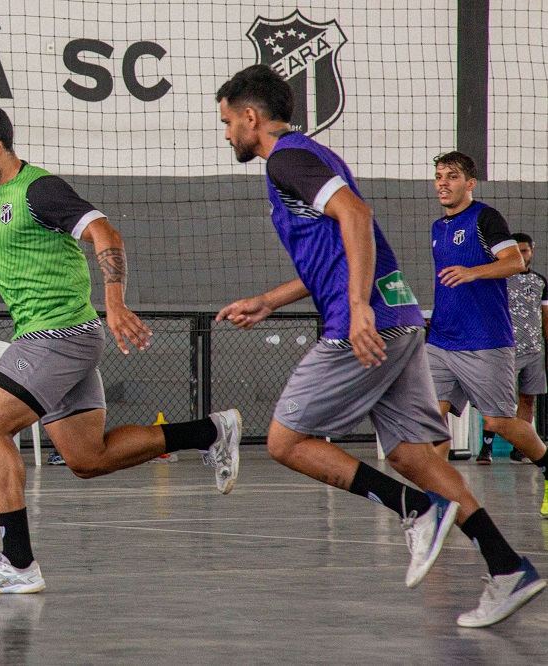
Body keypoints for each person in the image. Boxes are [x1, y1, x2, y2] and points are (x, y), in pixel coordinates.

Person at [215, 65, 543, 628]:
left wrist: (358, 306)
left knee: (284, 441)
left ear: (250, 117)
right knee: (411, 454)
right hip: (402, 319)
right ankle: (507, 566)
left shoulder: (284, 159)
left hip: (365, 324)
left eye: (226, 123)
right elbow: (337, 245)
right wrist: (271, 299)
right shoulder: (312, 157)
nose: (226, 134)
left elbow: (357, 216)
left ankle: (413, 509)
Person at [0, 101, 241, 595]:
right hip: (57, 338)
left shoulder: (39, 190)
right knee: (88, 459)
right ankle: (212, 431)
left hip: (58, 334)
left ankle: (18, 563)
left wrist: (114, 302)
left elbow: (105, 233)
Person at [426, 153, 548, 510]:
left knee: (499, 421)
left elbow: (515, 261)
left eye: (452, 176)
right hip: (442, 340)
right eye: (439, 176)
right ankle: (438, 502)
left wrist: (472, 272)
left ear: (470, 183)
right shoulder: (437, 228)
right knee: (431, 419)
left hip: (484, 339)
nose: (443, 182)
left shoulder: (485, 217)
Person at [476, 232, 547, 464]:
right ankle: (485, 449)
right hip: (506, 349)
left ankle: (520, 449)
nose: (522, 255)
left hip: (534, 350)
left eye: (525, 250)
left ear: (531, 252)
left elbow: (545, 317)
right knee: (498, 402)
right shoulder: (499, 278)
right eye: (517, 251)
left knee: (528, 399)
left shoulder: (540, 281)